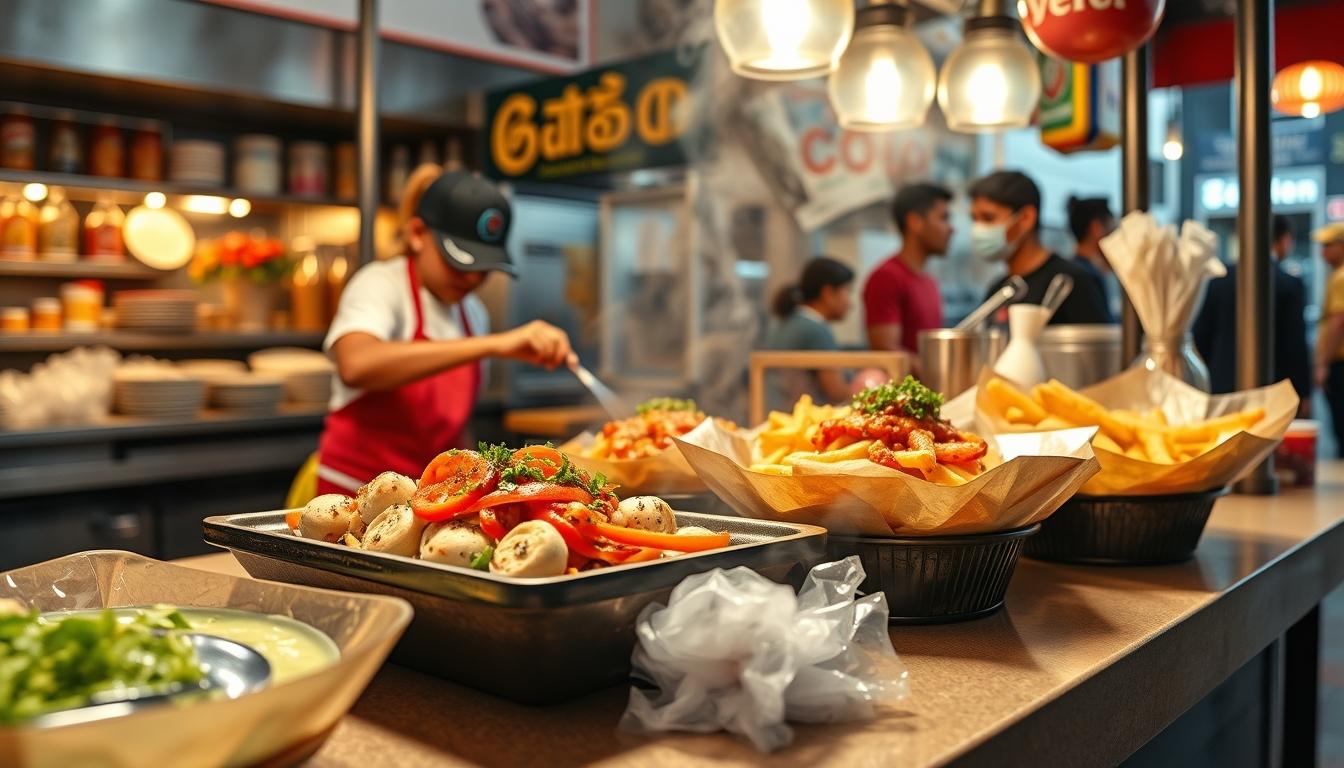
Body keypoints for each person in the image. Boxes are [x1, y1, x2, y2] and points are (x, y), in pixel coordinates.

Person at [315, 165, 576, 494]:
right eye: (459, 262)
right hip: (357, 493)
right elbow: (356, 363)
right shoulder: (381, 284)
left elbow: (451, 431)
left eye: (482, 268)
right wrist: (493, 344)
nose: (470, 279)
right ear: (418, 234)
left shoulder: (473, 314)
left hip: (430, 498)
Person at [1192, 215, 1311, 410]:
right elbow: (1295, 345)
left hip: (1222, 388)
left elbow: (1201, 336)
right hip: (1274, 392)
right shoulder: (1289, 284)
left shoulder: (1219, 281)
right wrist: (1303, 392)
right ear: (1284, 240)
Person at [971, 171, 1111, 325]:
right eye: (974, 219)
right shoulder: (998, 291)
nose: (979, 228)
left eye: (988, 218)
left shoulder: (1070, 282)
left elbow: (1098, 344)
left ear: (1026, 218)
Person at [863, 182, 953, 355]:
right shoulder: (887, 277)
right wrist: (936, 370)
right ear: (915, 222)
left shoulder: (929, 281)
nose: (951, 228)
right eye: (943, 218)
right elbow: (886, 351)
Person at [764, 256, 856, 413]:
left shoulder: (793, 320)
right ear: (828, 293)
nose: (850, 303)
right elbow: (837, 392)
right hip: (802, 422)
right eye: (847, 291)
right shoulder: (816, 330)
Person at [1314, 222, 1344, 454]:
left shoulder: (1340, 278)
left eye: (1327, 245)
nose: (1322, 252)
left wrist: (1323, 363)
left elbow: (1338, 322)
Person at [1066, 195, 1117, 315]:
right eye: (1112, 229)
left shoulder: (1080, 271)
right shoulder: (1086, 277)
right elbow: (1103, 329)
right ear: (1096, 228)